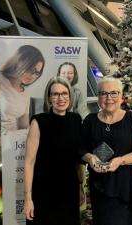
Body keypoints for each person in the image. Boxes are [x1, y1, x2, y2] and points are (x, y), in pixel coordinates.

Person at [80, 77, 132, 225]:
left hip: (125, 189)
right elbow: (81, 149)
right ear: (98, 97)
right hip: (99, 188)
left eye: (114, 93)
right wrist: (90, 157)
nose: (108, 98)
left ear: (122, 96)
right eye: (104, 93)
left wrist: (120, 160)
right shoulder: (90, 120)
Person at [24, 77, 82, 225]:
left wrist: (81, 186)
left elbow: (77, 159)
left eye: (64, 93)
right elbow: (29, 162)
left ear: (70, 95)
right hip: (44, 192)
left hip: (70, 189)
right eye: (55, 94)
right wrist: (28, 199)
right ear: (49, 98)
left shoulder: (76, 120)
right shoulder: (38, 121)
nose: (60, 98)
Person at [0, 45, 45, 132]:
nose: (32, 76)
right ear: (18, 61)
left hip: (14, 140)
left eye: (37, 73)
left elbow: (24, 125)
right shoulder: (0, 81)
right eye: (31, 68)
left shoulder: (25, 94)